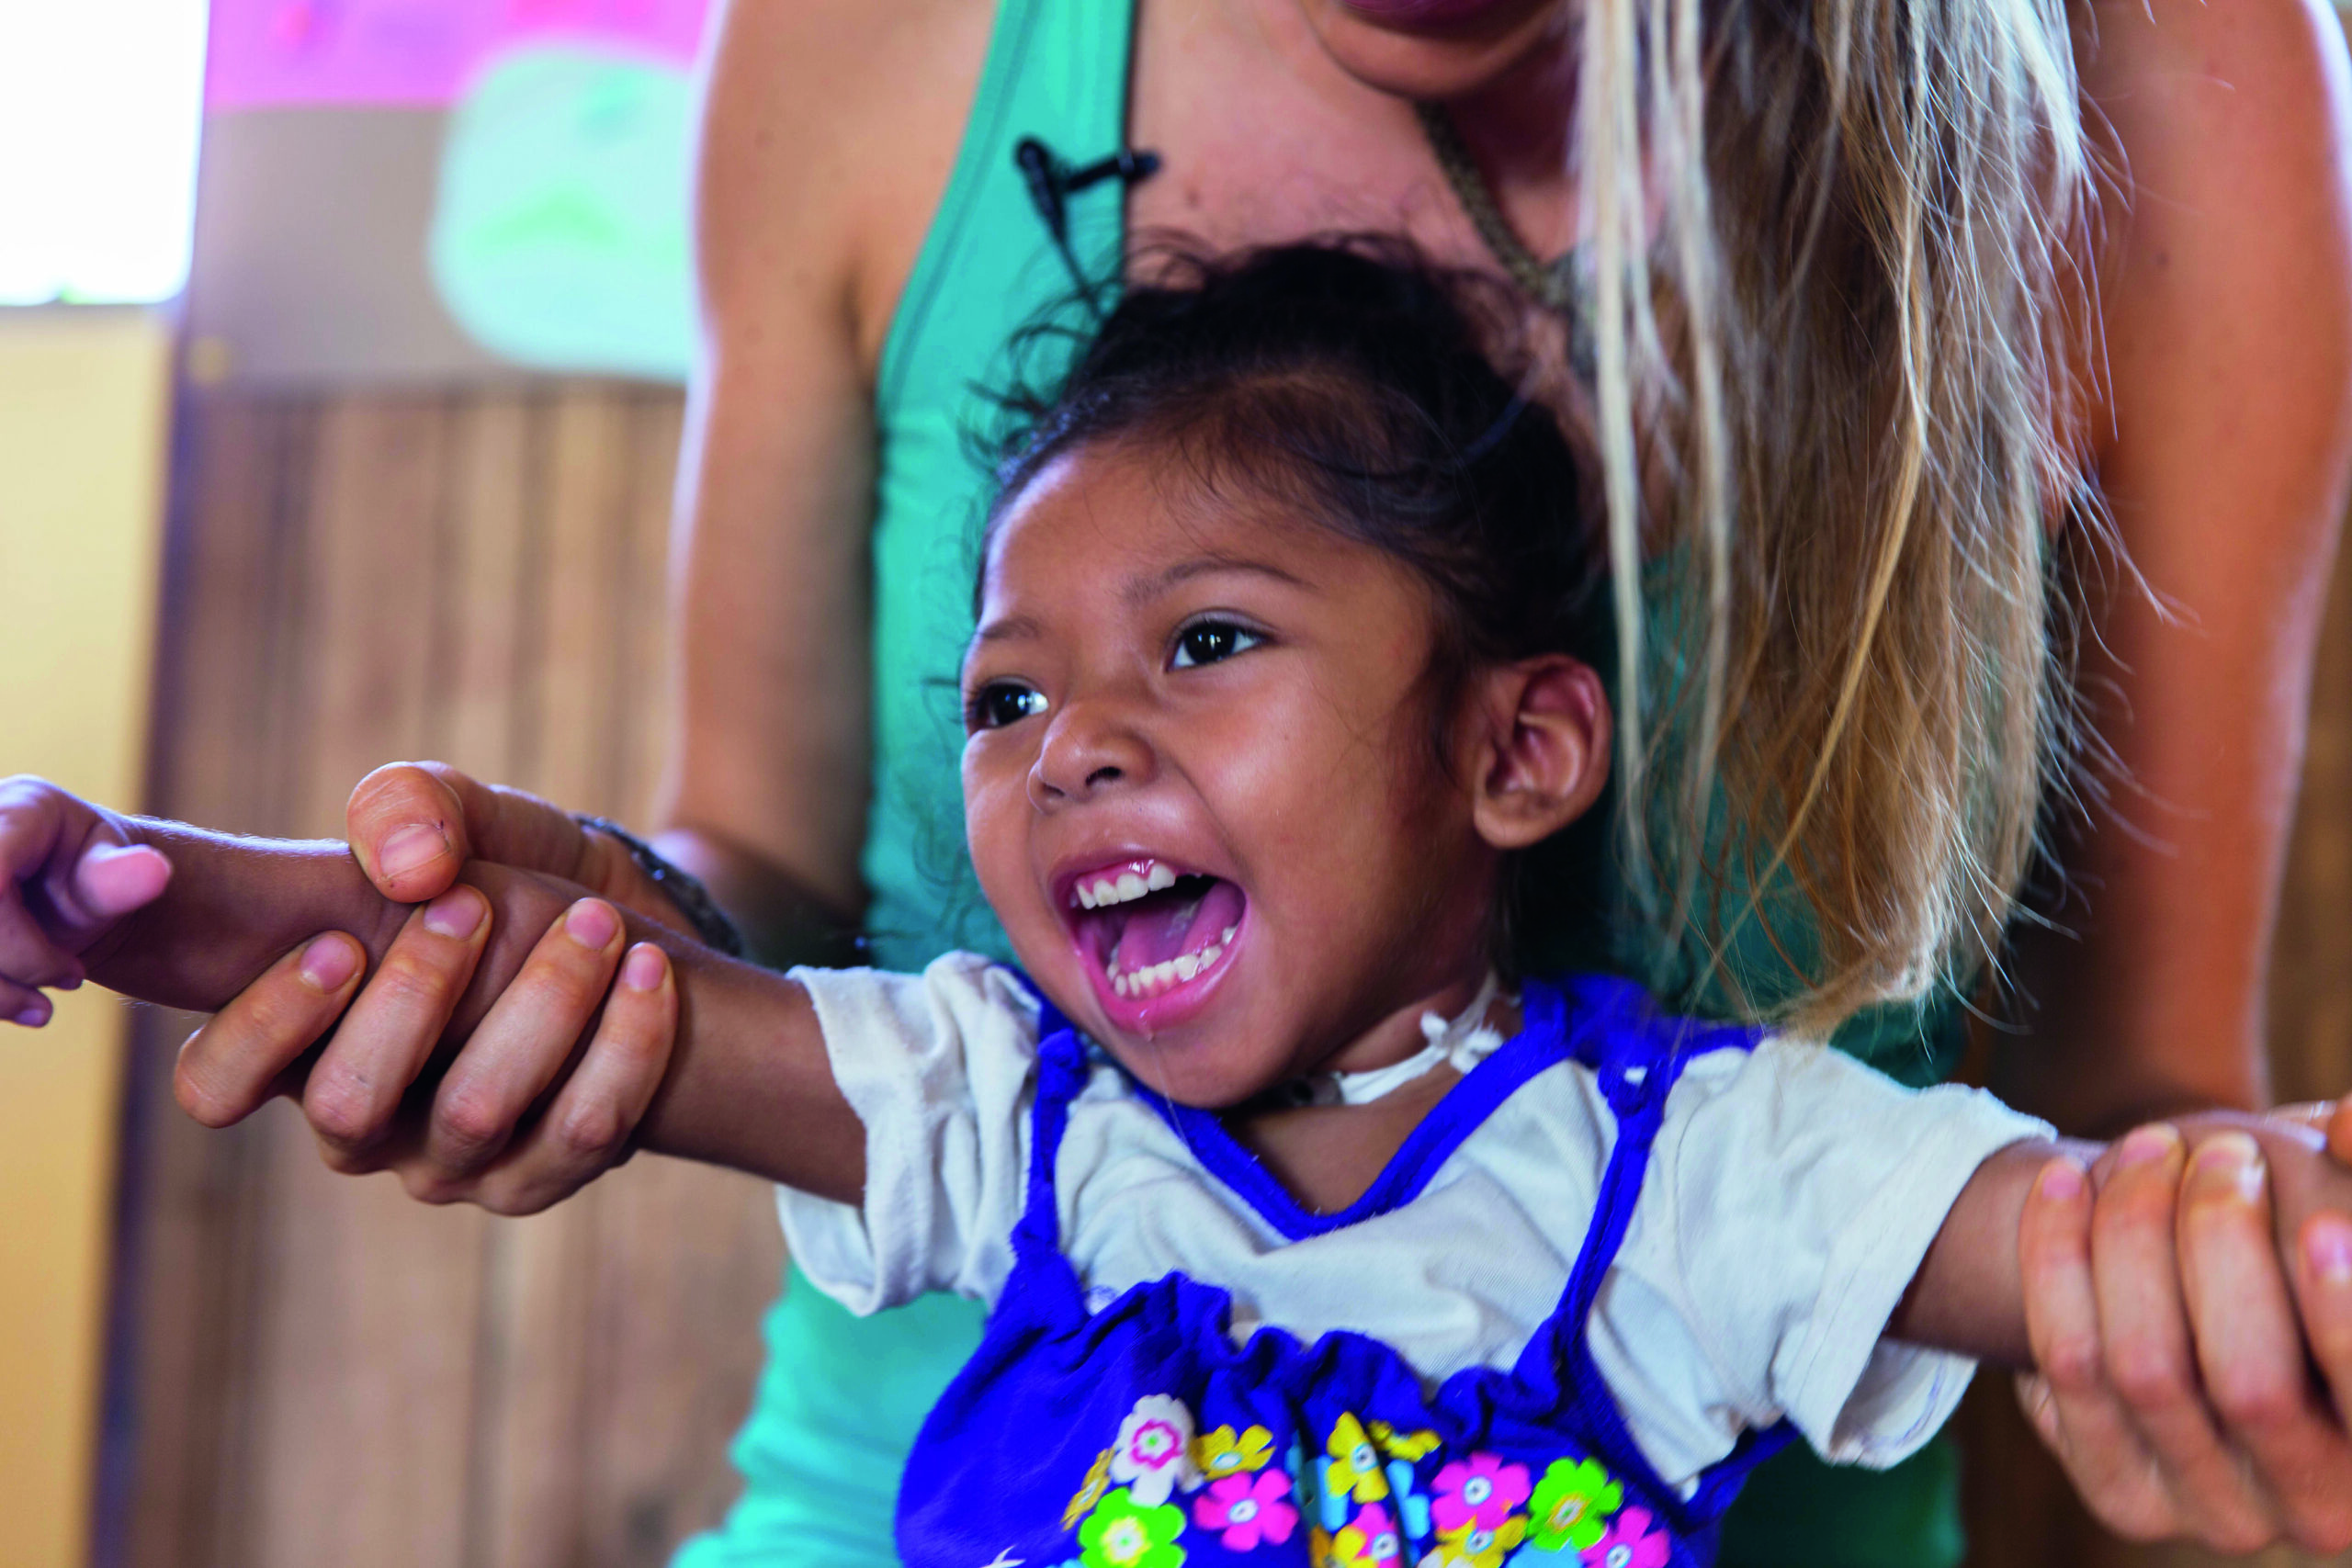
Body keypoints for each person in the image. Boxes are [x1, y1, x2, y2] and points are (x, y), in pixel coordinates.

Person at [46, 1, 2352, 1562]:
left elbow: (2104, 1184)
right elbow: (697, 934)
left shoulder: (1709, 1176)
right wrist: (149, 896)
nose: (1079, 756)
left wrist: (2243, 1262)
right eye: (1000, 700)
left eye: (1208, 644)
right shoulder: (1002, 1106)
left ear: (1522, 741)